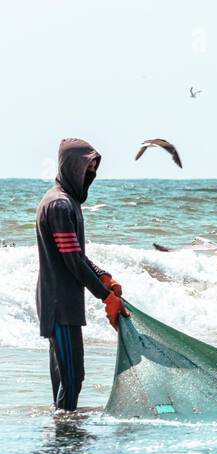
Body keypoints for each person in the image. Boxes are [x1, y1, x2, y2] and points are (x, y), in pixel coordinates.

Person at [36, 138, 123, 412]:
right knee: (72, 378)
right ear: (72, 167)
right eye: (88, 169)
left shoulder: (67, 202)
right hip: (59, 305)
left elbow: (75, 255)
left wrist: (103, 276)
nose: (92, 175)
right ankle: (65, 439)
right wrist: (105, 297)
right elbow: (73, 260)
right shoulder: (60, 205)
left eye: (95, 169)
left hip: (63, 303)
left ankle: (61, 439)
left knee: (66, 377)